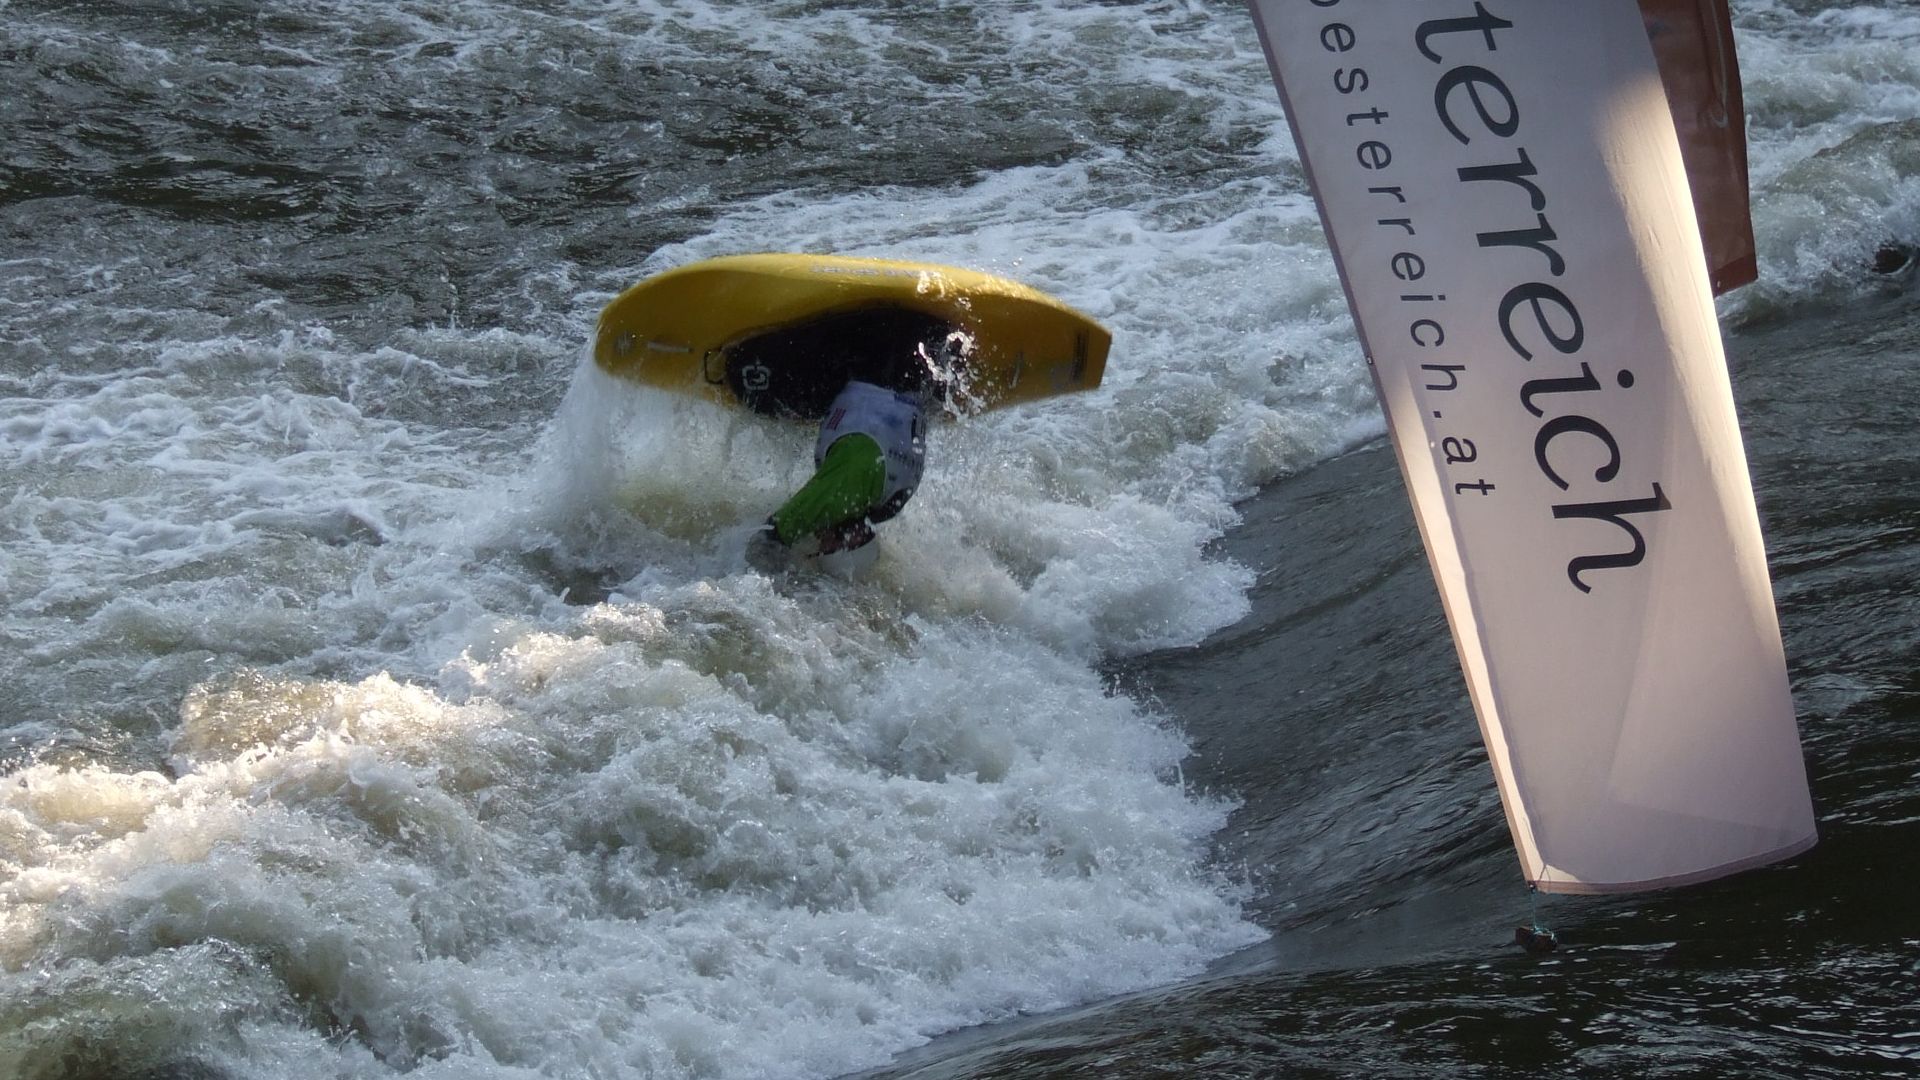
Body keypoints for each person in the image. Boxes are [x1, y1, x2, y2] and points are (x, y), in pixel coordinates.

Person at [749, 377, 927, 570]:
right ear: (846, 542)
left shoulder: (887, 506)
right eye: (823, 549)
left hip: (907, 384)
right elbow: (769, 538)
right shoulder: (839, 499)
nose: (818, 541)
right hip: (863, 369)